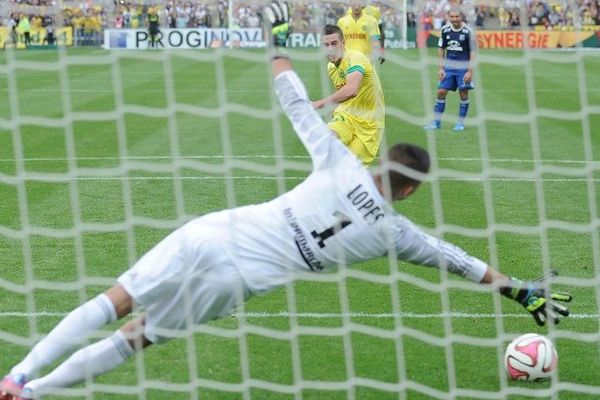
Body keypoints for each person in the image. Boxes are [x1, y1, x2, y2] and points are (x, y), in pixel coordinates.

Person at [0, 3, 572, 399]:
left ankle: (19, 375)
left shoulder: (340, 162)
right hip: (236, 282)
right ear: (412, 190)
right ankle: (39, 393)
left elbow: (293, 99)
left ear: (381, 164)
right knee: (137, 338)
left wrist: (275, 37)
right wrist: (521, 292)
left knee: (116, 301)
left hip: (214, 235)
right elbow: (458, 260)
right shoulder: (396, 235)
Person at [312, 24, 385, 166]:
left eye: (334, 43)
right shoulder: (331, 66)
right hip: (346, 116)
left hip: (369, 124)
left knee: (348, 171)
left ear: (343, 43)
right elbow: (342, 90)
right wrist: (335, 110)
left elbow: (351, 90)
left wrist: (317, 104)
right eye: (325, 45)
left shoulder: (355, 58)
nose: (330, 48)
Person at [424, 8, 476, 132]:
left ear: (461, 16)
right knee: (441, 92)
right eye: (452, 17)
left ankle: (460, 123)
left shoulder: (468, 31)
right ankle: (436, 122)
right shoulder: (445, 30)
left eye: (456, 16)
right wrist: (441, 68)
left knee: (463, 93)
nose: (454, 19)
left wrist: (470, 71)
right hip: (449, 68)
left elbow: (473, 52)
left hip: (463, 69)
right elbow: (441, 49)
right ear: (449, 17)